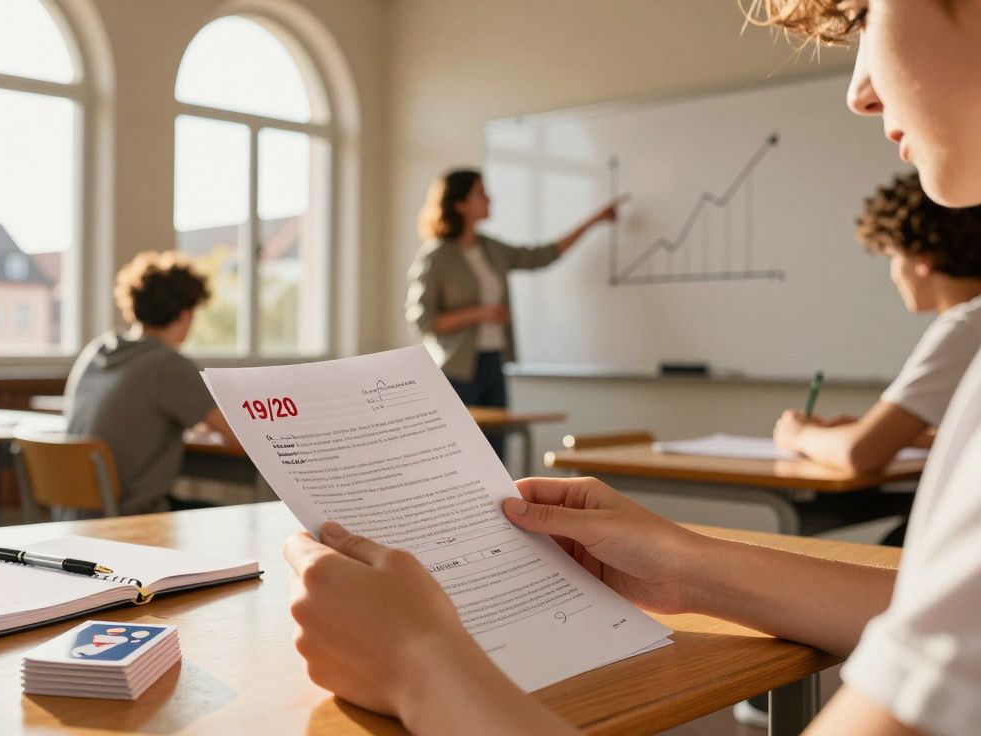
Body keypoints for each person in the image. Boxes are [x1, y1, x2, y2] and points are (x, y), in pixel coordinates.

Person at [286, 1, 981, 734]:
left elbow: (542, 255)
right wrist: (686, 563)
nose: (859, 89)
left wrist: (421, 666)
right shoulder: (441, 258)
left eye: (866, 11)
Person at [774, 172, 981, 476]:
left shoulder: (965, 327)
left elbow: (859, 453)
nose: (893, 274)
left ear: (924, 259)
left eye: (892, 257)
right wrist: (901, 434)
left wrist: (799, 436)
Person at [406, 170, 624, 457]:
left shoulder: (490, 248)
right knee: (459, 455)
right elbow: (423, 320)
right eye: (481, 193)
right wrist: (480, 313)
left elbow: (542, 255)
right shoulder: (437, 255)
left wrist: (593, 221)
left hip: (493, 363)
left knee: (495, 456)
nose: (489, 199)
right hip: (456, 371)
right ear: (459, 203)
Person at [64, 250, 241, 516]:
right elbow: (239, 437)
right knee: (232, 518)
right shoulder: (167, 364)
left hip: (74, 514)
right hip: (126, 520)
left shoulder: (99, 349)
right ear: (186, 314)